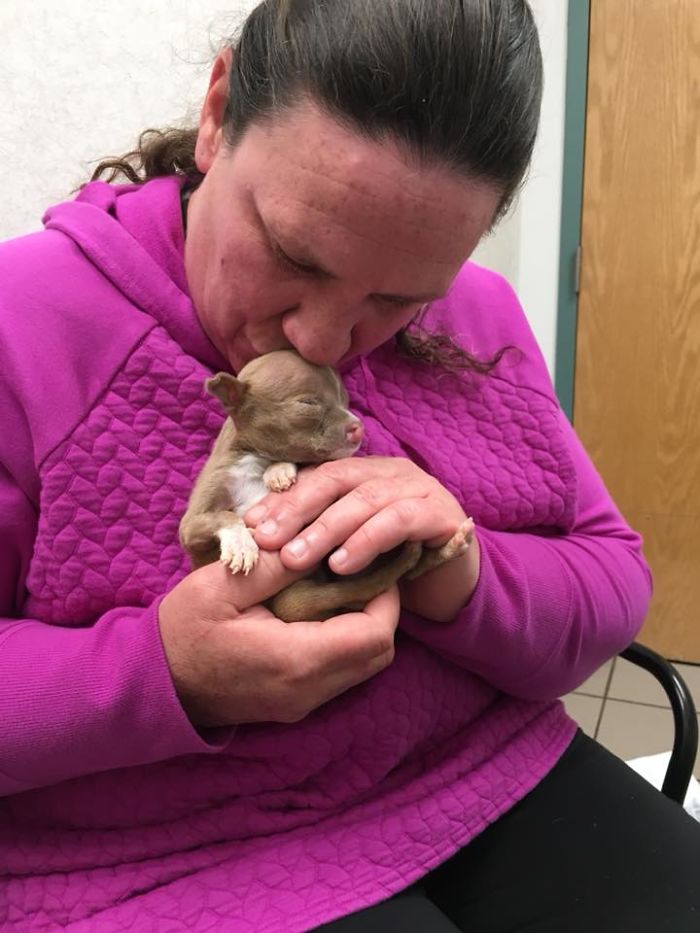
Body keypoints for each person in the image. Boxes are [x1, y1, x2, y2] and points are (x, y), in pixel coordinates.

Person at [1, 1, 698, 930]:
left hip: (478, 778)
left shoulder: (481, 320)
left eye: (400, 299)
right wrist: (163, 670)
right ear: (217, 114)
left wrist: (465, 571)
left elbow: (613, 579)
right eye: (293, 255)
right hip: (154, 856)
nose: (324, 339)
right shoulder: (27, 327)